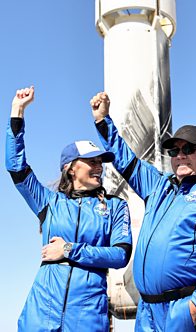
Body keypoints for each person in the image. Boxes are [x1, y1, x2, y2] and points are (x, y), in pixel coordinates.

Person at [90, 92, 196, 331]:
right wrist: (103, 121)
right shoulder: (157, 185)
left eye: (189, 149)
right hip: (147, 313)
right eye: (174, 151)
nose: (180, 155)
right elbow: (124, 158)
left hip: (184, 310)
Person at [6, 86, 132, 332]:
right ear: (70, 168)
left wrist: (68, 249)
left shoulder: (116, 206)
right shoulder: (49, 203)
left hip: (87, 318)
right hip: (40, 315)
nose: (99, 167)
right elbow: (16, 167)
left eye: (101, 162)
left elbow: (119, 256)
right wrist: (17, 111)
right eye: (92, 161)